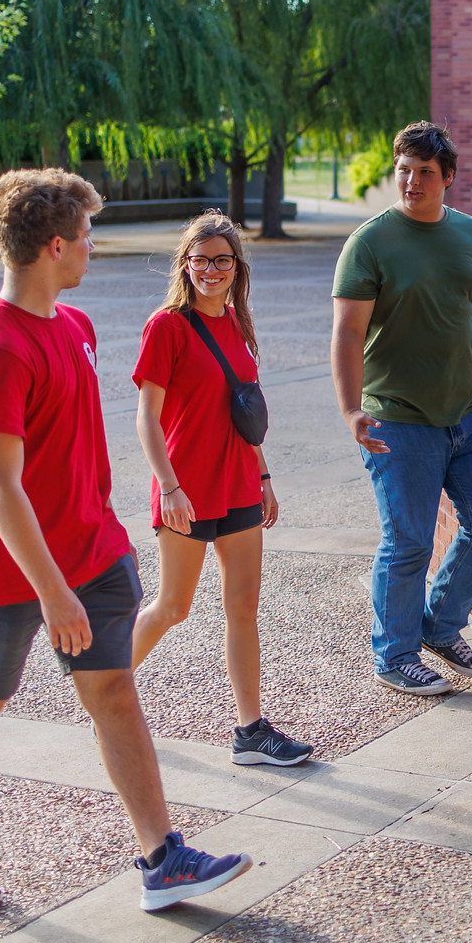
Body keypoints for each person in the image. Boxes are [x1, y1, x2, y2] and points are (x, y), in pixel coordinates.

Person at [0, 169, 249, 914]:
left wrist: (105, 548)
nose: (94, 248)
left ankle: (163, 857)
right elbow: (0, 485)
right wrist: (52, 590)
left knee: (115, 692)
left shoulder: (75, 326)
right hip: (7, 568)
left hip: (91, 554)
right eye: (88, 236)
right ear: (55, 245)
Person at [330, 121, 472, 696]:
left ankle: (439, 627)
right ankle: (394, 654)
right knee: (407, 541)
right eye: (403, 170)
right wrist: (351, 410)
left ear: (447, 178)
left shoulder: (471, 236)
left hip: (468, 413)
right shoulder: (370, 242)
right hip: (397, 417)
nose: (411, 181)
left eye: (425, 172)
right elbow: (347, 333)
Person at [130, 211, 313, 767]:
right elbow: (146, 418)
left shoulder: (239, 324)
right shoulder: (167, 326)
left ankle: (250, 731)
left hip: (238, 484)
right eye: (202, 259)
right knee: (172, 607)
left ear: (237, 267)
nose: (211, 269)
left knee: (243, 610)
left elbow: (247, 411)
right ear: (186, 263)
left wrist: (263, 476)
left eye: (223, 260)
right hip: (185, 487)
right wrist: (169, 487)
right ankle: (103, 691)